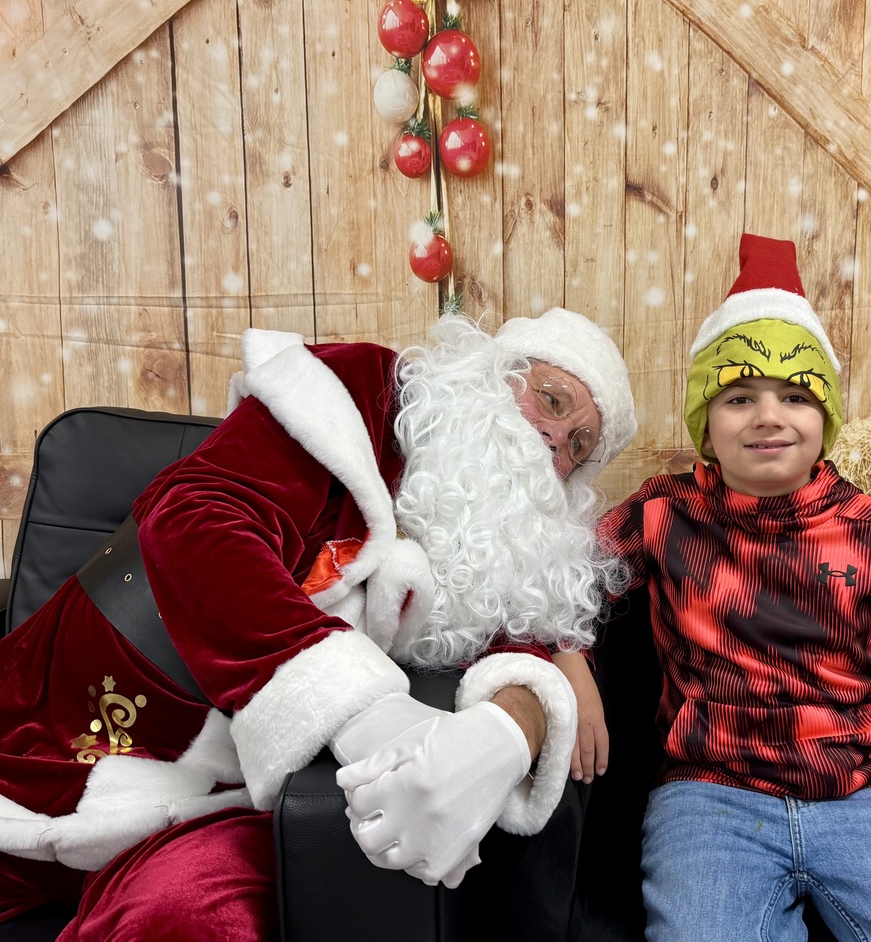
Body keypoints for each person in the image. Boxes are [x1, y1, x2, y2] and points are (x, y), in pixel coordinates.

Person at [0, 307, 637, 940]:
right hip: (37, 733)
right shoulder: (362, 392)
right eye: (552, 400)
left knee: (190, 916)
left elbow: (517, 652)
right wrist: (368, 719)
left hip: (217, 801)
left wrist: (508, 733)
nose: (557, 440)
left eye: (580, 446)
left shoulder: (509, 539)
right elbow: (198, 521)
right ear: (494, 375)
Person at [597, 233, 871, 942]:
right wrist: (570, 665)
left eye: (795, 395)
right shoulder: (661, 513)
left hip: (865, 797)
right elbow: (563, 583)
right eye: (738, 397)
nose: (768, 416)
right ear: (706, 422)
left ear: (824, 419)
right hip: (711, 801)